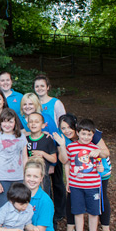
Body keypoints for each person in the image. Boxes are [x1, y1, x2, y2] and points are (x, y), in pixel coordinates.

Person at [53, 114, 113, 231]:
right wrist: (68, 181)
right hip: (78, 175)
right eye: (63, 128)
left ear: (76, 127)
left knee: (101, 197)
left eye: (69, 127)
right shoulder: (62, 138)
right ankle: (72, 228)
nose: (66, 131)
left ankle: (105, 229)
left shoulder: (90, 132)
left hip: (99, 170)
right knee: (73, 198)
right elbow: (66, 161)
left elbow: (105, 152)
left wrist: (98, 153)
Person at [64, 119, 104, 231]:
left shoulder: (95, 149)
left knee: (93, 212)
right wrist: (68, 182)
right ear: (78, 133)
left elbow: (100, 168)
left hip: (93, 185)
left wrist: (99, 165)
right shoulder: (71, 147)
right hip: (76, 185)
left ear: (93, 135)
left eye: (89, 134)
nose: (86, 137)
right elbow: (68, 164)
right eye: (83, 134)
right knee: (78, 210)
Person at [33, 74, 67, 222]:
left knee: (57, 181)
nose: (39, 88)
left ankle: (60, 211)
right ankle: (48, 211)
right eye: (37, 86)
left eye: (42, 85)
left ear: (47, 87)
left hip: (55, 147)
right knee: (44, 181)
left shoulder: (56, 103)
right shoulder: (34, 105)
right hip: (41, 147)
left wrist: (61, 145)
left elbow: (63, 125)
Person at [0, 108, 28, 208]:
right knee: (4, 208)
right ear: (0, 122)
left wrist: (25, 177)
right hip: (2, 178)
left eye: (10, 122)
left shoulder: (21, 136)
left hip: (19, 178)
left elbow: (24, 157)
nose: (7, 125)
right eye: (4, 121)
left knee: (19, 206)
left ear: (15, 123)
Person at [25, 112, 57, 195]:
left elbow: (54, 159)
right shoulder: (25, 140)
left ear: (43, 125)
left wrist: (43, 153)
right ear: (28, 125)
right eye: (31, 122)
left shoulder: (47, 139)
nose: (33, 124)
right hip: (28, 177)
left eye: (36, 122)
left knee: (43, 197)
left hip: (43, 178)